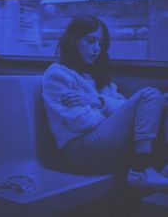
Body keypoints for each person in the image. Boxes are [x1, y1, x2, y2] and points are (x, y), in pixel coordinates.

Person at [42, 16, 168, 189]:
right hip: (79, 150)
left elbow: (121, 103)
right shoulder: (57, 75)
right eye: (91, 41)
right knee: (149, 94)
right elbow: (79, 122)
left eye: (101, 44)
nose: (96, 49)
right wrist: (118, 116)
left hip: (102, 142)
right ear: (74, 40)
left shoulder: (95, 74)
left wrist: (98, 102)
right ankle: (142, 169)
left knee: (164, 99)